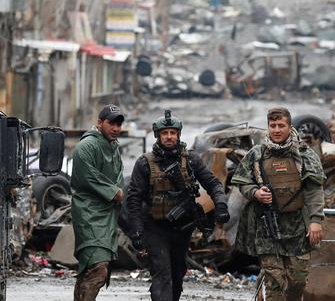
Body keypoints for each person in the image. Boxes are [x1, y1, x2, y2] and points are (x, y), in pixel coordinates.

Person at [125, 110, 230, 301]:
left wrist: (221, 205)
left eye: (173, 133)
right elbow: (133, 200)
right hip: (155, 228)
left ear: (178, 135)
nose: (169, 137)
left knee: (177, 273)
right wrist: (137, 232)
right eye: (165, 133)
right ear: (158, 136)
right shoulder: (144, 163)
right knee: (162, 273)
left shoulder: (191, 159)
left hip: (182, 229)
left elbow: (213, 184)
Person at [232, 106, 326, 301]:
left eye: (281, 125)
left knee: (297, 282)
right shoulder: (257, 154)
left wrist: (316, 220)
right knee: (275, 283)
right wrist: (255, 192)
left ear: (290, 126)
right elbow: (241, 182)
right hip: (268, 228)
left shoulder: (304, 154)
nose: (276, 130)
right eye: (272, 125)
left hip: (298, 228)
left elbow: (314, 190)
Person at [71, 104, 126, 301]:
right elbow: (88, 176)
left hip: (107, 215)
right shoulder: (86, 146)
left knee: (92, 270)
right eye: (112, 123)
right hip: (89, 213)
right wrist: (115, 192)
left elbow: (119, 176)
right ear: (100, 122)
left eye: (119, 124)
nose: (116, 128)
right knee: (97, 268)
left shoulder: (113, 146)